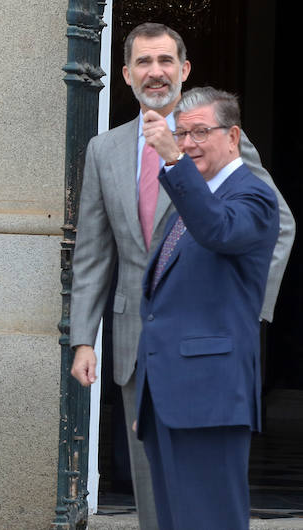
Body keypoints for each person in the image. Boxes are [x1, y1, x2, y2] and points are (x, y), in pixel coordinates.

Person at [68, 22, 294, 528]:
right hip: (136, 343)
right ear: (124, 73)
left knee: (204, 499)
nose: (155, 73)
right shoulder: (105, 150)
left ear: (185, 69)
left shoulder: (216, 139)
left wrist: (243, 311)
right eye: (143, 62)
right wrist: (84, 338)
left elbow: (272, 223)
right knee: (158, 496)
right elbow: (92, 253)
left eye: (166, 61)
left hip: (207, 347)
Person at [136, 86, 278, 528]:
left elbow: (218, 231)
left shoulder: (252, 197)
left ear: (233, 137)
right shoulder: (191, 199)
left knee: (211, 519)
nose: (188, 143)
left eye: (200, 132)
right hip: (167, 392)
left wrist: (175, 164)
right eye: (181, 134)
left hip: (209, 395)